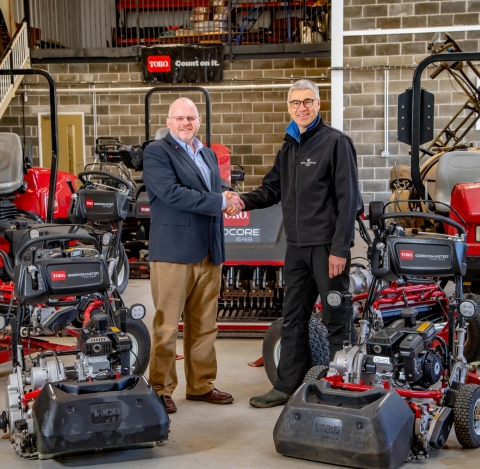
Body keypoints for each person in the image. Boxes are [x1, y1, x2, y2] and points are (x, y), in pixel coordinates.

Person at [231, 79, 360, 408]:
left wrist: (340, 249)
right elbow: (272, 189)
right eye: (295, 103)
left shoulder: (336, 143)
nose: (301, 108)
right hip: (297, 249)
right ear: (289, 107)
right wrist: (241, 202)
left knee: (335, 317)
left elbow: (348, 201)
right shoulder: (289, 146)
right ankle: (287, 385)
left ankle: (343, 386)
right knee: (292, 318)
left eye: (307, 101)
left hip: (327, 248)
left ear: (318, 104)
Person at [143, 97, 244, 414]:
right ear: (169, 121)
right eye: (179, 118)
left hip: (209, 250)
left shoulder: (208, 154)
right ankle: (160, 387)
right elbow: (172, 193)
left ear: (198, 121)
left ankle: (201, 385)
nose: (186, 123)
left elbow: (213, 187)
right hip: (174, 250)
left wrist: (229, 195)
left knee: (205, 325)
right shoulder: (157, 152)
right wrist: (219, 199)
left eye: (191, 118)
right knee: (167, 326)